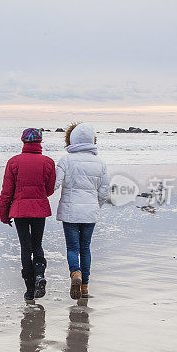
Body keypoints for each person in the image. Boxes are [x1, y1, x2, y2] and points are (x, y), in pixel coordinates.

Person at [0, 128, 56, 302]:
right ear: (40, 142)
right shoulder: (48, 162)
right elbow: (50, 189)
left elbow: (7, 192)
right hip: (39, 209)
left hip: (19, 210)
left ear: (23, 141)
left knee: (25, 247)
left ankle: (30, 289)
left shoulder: (13, 162)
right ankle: (39, 275)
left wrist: (4, 214)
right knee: (37, 244)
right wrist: (38, 195)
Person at [54, 122, 110, 299]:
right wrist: (95, 206)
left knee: (72, 247)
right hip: (90, 212)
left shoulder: (65, 160)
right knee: (85, 247)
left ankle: (75, 273)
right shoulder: (100, 163)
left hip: (70, 211)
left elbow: (55, 184)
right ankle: (84, 286)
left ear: (72, 139)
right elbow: (104, 191)